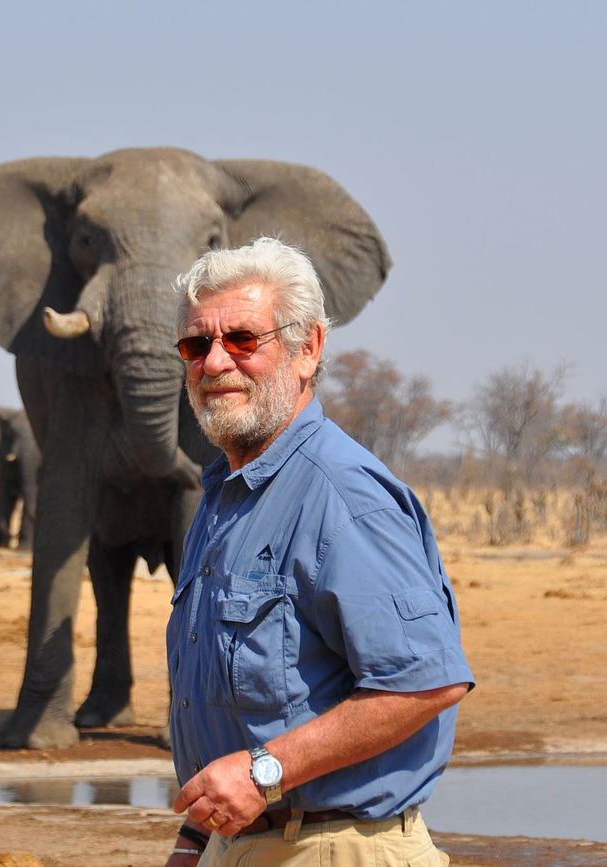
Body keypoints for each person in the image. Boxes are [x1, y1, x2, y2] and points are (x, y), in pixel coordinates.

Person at [164, 237, 474, 866]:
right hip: (242, 843)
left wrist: (263, 773)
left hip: (335, 850)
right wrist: (195, 843)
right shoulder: (228, 496)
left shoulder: (343, 494)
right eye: (197, 345)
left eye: (244, 340)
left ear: (308, 349)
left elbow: (426, 682)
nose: (216, 363)